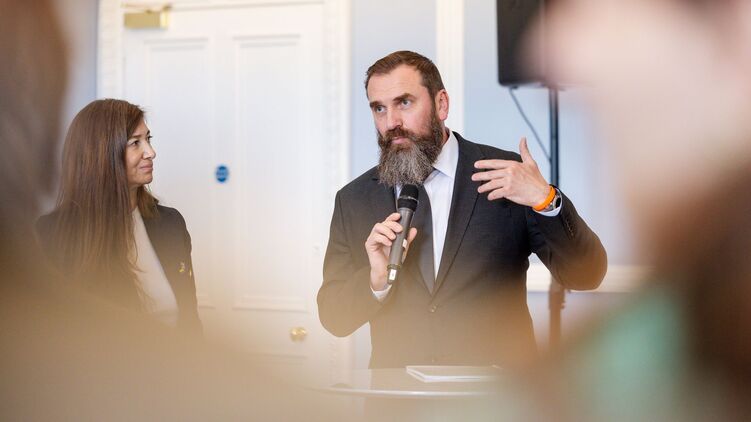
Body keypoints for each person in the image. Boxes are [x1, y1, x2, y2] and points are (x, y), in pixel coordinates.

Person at [317, 50, 607, 368]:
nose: (391, 123)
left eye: (405, 102)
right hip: (397, 395)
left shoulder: (508, 176)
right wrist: (375, 280)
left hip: (498, 394)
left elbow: (587, 274)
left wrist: (545, 199)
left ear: (441, 104)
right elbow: (334, 317)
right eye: (379, 108)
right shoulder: (354, 199)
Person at [37, 99, 201, 333]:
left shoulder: (171, 223)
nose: (151, 152)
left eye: (148, 139)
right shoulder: (52, 235)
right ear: (101, 154)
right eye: (135, 143)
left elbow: (190, 321)